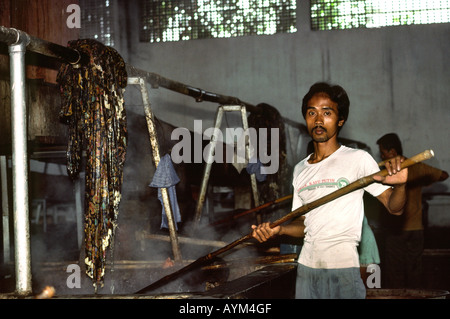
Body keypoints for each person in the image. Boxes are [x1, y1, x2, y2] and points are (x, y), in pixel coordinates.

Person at [251, 82, 408, 299]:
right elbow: (303, 223)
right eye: (311, 112)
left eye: (327, 113)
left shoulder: (358, 159)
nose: (318, 120)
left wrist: (400, 185)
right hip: (306, 268)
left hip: (343, 268)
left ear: (340, 120)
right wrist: (280, 230)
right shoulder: (300, 170)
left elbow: (395, 208)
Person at [376, 133, 449, 288]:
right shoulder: (417, 166)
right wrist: (423, 179)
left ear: (393, 152)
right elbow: (443, 175)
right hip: (415, 230)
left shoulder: (387, 172)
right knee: (414, 272)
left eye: (383, 152)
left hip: (396, 231)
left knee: (395, 275)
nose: (382, 156)